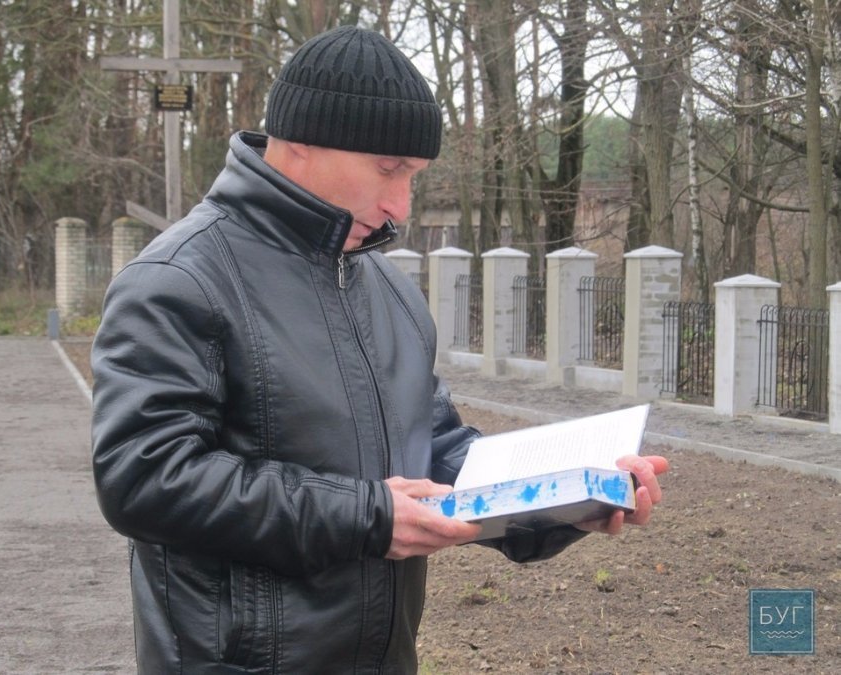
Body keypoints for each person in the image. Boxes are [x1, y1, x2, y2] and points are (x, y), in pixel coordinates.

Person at [91, 25, 668, 674]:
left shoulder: (390, 293)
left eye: (414, 176)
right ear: (301, 140)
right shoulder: (178, 279)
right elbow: (143, 477)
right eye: (388, 169)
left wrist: (566, 498)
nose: (399, 205)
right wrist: (368, 515)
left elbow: (435, 450)